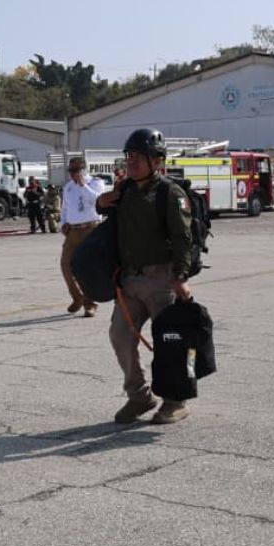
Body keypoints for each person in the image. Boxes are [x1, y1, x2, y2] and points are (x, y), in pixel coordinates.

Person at [96, 127, 194, 424]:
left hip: (161, 279)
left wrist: (181, 276)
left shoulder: (169, 193)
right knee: (120, 336)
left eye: (140, 157)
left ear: (157, 161)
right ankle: (139, 396)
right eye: (130, 156)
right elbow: (104, 213)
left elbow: (183, 238)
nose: (132, 162)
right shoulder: (125, 191)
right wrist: (101, 202)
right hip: (129, 280)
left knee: (169, 341)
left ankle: (175, 400)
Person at [60, 156, 106, 317]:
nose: (72, 174)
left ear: (83, 169)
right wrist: (63, 223)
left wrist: (83, 185)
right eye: (70, 171)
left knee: (88, 268)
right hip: (73, 230)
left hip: (90, 228)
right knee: (65, 264)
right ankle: (77, 297)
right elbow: (65, 208)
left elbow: (97, 201)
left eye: (75, 170)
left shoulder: (95, 183)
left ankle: (90, 303)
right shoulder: (68, 188)